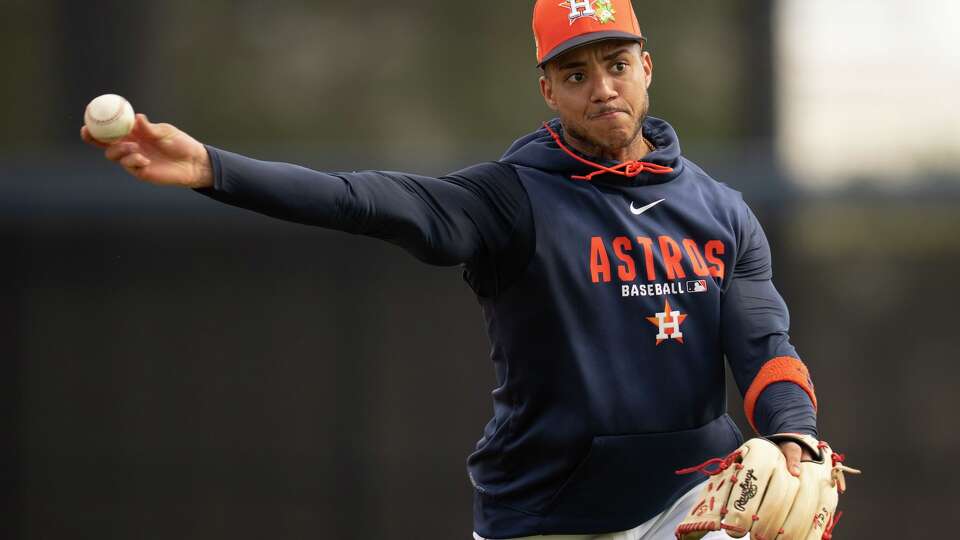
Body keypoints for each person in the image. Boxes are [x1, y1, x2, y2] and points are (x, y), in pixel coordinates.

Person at [81, 1, 823, 538]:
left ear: (645, 67)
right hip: (547, 513)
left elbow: (762, 341)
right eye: (576, 72)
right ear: (548, 90)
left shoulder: (720, 211)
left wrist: (794, 434)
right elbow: (364, 199)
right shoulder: (511, 198)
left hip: (690, 504)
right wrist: (214, 168)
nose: (602, 88)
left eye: (617, 64)